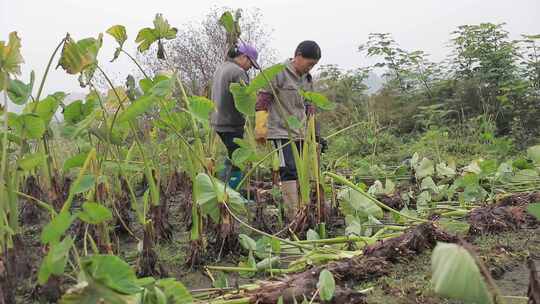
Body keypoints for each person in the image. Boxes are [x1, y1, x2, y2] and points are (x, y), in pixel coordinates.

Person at [254, 40, 322, 222]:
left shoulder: (307, 79)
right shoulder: (279, 73)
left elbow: (310, 106)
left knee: (301, 171)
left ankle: (302, 208)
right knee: (289, 169)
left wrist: (315, 133)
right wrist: (260, 124)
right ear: (298, 56)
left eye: (314, 65)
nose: (311, 68)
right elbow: (263, 98)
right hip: (281, 131)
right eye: (309, 64)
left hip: (300, 131)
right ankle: (293, 216)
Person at [211, 42, 259, 189]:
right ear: (244, 57)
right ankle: (232, 193)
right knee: (237, 160)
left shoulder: (222, 67)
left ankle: (222, 187)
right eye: (251, 63)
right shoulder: (238, 72)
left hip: (217, 121)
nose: (251, 67)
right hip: (231, 123)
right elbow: (247, 98)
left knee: (231, 156)